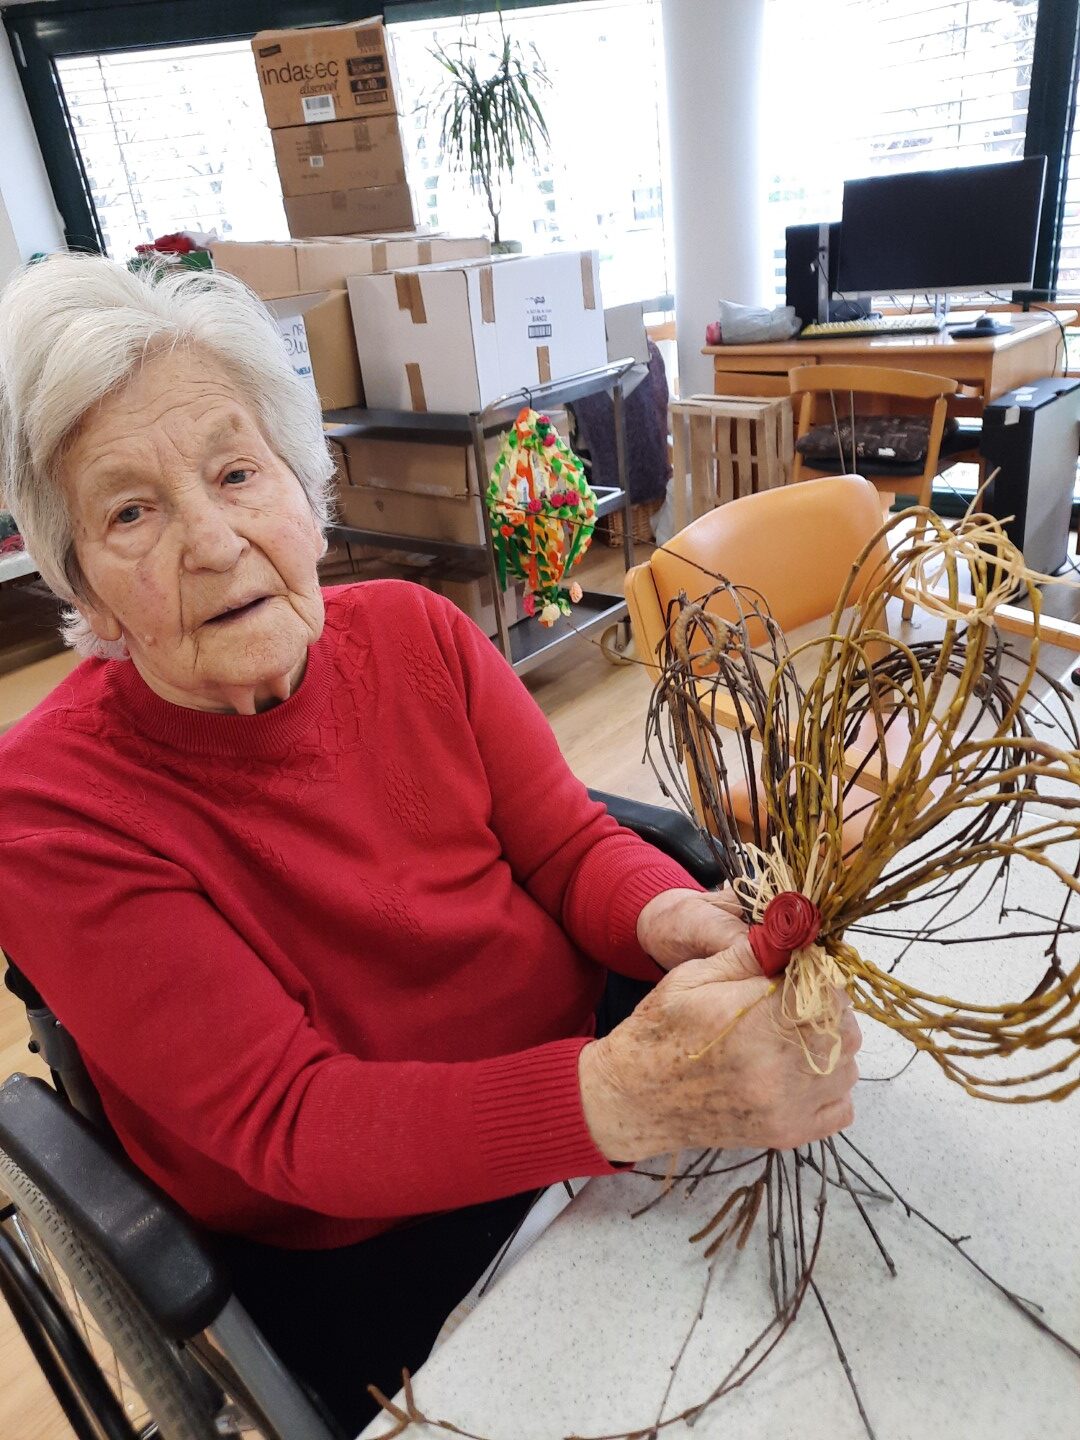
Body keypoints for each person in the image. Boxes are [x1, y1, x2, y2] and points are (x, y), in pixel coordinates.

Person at [0, 256, 859, 1433]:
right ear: (86, 590)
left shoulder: (417, 632)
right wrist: (625, 1099)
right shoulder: (49, 809)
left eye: (237, 472)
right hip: (375, 1232)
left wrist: (674, 917)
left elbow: (569, 849)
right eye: (130, 513)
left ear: (304, 490)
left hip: (588, 1068)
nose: (212, 541)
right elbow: (295, 1123)